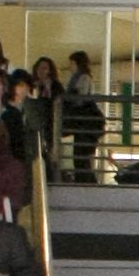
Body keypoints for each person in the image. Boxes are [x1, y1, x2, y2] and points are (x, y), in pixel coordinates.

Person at [62, 50, 102, 184]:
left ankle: (86, 182)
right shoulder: (81, 78)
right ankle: (86, 181)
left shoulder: (83, 78)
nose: (69, 66)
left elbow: (80, 99)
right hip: (85, 123)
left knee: (81, 155)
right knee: (81, 155)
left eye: (72, 63)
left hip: (85, 123)